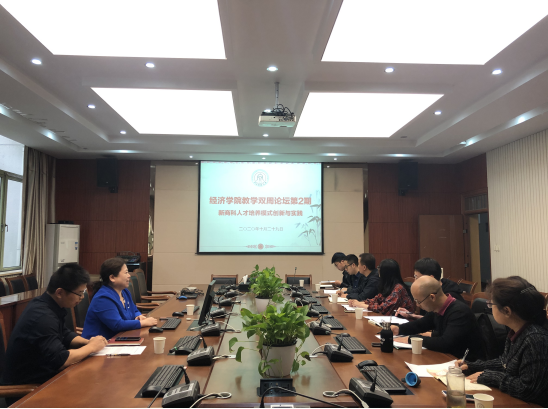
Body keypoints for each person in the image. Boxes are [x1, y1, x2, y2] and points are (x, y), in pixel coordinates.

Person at [1, 264, 108, 391]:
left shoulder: (48, 305)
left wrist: (88, 342)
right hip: (28, 389)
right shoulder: (42, 316)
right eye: (79, 293)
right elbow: (61, 360)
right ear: (59, 292)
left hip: (47, 377)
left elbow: (64, 334)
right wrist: (91, 347)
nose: (82, 297)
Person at [456, 277, 548, 407]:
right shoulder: (516, 331)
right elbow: (505, 363)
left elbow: (528, 390)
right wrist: (473, 366)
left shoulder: (535, 339)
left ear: (506, 311)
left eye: (491, 304)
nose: (489, 307)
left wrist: (491, 377)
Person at [391, 276, 484, 362]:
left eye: (419, 301)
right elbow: (422, 324)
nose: (418, 305)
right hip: (449, 358)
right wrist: (398, 329)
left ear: (432, 297)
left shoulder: (459, 312)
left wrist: (411, 339)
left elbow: (445, 343)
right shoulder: (438, 307)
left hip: (466, 364)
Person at [82, 258, 158, 340]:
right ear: (112, 277)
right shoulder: (103, 298)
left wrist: (138, 316)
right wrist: (142, 323)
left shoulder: (124, 291)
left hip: (120, 338)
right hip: (99, 344)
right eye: (126, 272)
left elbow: (134, 310)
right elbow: (117, 325)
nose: (129, 275)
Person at [396, 257, 464, 319]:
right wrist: (411, 315)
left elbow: (435, 322)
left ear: (430, 278)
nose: (415, 281)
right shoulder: (429, 290)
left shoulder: (449, 297)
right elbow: (429, 319)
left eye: (417, 277)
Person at [348, 259, 414, 315]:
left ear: (386, 272)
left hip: (403, 321)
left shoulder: (398, 288)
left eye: (379, 268)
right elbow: (377, 299)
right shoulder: (388, 285)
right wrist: (358, 302)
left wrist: (361, 305)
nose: (378, 270)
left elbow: (384, 308)